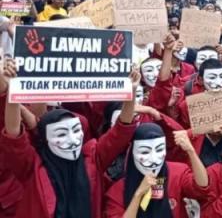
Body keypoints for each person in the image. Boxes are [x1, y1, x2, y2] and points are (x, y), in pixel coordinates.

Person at [0, 60, 139, 218]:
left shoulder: (93, 160)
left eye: (76, 131)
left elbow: (121, 130)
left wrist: (131, 92)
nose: (72, 140)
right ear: (45, 140)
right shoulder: (32, 167)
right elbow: (13, 135)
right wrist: (12, 90)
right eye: (61, 134)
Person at [104, 124, 211, 217]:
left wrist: (191, 151)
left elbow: (202, 187)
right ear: (132, 153)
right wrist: (138, 194)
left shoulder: (177, 173)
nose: (154, 160)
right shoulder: (117, 192)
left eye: (159, 150)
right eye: (145, 152)